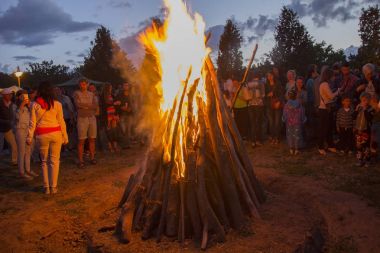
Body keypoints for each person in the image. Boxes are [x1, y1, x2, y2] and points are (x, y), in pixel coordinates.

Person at [26, 81, 68, 194]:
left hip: (42, 135)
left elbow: (32, 123)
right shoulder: (57, 104)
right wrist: (65, 136)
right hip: (56, 134)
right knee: (55, 161)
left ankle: (46, 188)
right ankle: (54, 187)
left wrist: (29, 137)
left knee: (44, 161)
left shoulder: (34, 104)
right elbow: (61, 121)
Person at [73, 79, 98, 168]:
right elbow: (77, 104)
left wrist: (85, 106)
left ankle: (92, 158)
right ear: (79, 85)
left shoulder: (92, 94)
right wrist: (89, 106)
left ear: (87, 85)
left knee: (92, 139)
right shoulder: (76, 93)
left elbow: (95, 105)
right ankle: (81, 160)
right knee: (81, 140)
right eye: (81, 84)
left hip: (91, 117)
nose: (83, 86)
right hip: (82, 118)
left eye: (84, 84)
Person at [14, 90, 38, 179]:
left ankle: (28, 169)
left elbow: (34, 117)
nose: (25, 98)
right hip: (20, 130)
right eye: (22, 96)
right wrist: (22, 105)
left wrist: (29, 106)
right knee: (21, 151)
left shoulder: (30, 106)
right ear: (18, 97)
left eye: (26, 96)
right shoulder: (14, 106)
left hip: (28, 130)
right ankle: (21, 171)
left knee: (28, 151)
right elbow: (17, 117)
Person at [318, 68, 340, 155]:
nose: (334, 77)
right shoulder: (325, 84)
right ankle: (321, 147)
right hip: (324, 109)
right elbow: (331, 96)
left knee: (328, 128)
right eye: (332, 75)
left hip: (325, 109)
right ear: (329, 76)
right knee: (324, 129)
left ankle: (330, 145)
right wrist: (337, 92)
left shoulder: (323, 84)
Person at [282, 89, 306, 155]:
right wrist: (303, 119)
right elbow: (302, 112)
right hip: (297, 122)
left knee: (290, 135)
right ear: (296, 95)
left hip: (289, 123)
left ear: (289, 96)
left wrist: (284, 119)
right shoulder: (299, 104)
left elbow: (284, 114)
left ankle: (291, 148)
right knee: (297, 135)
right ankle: (296, 149)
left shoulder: (286, 105)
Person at [354, 92, 373, 167]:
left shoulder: (370, 109)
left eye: (365, 100)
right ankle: (360, 160)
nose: (363, 102)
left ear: (368, 100)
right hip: (359, 129)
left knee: (366, 146)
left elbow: (369, 118)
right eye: (362, 100)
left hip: (366, 130)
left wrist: (365, 109)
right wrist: (356, 109)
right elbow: (353, 116)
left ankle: (367, 160)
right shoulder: (359, 108)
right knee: (359, 145)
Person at [0, 88, 18, 165]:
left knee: (13, 144)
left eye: (11, 94)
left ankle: (14, 160)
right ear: (4, 95)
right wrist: (6, 121)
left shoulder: (11, 104)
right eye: (9, 95)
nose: (10, 96)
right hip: (0, 128)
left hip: (8, 128)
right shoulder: (0, 103)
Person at [100, 84, 120, 152]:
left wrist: (117, 114)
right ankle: (110, 147)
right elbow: (104, 105)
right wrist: (114, 103)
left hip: (113, 114)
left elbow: (115, 105)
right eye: (110, 88)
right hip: (107, 115)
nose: (111, 89)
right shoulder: (103, 96)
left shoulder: (112, 95)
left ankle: (115, 145)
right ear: (107, 88)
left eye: (111, 88)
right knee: (108, 131)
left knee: (114, 131)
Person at [265, 71, 283, 144]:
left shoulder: (278, 83)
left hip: (277, 104)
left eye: (271, 75)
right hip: (269, 105)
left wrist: (279, 101)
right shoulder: (266, 85)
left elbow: (282, 94)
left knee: (277, 122)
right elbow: (264, 95)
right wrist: (267, 95)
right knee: (271, 122)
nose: (269, 77)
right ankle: (272, 137)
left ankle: (277, 137)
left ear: (273, 76)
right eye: (268, 76)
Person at [247, 73, 265, 147]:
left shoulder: (249, 83)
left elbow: (246, 94)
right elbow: (263, 94)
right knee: (258, 123)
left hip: (250, 105)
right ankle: (258, 140)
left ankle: (253, 141)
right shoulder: (261, 83)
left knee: (252, 123)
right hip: (258, 105)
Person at [116, 83, 133, 149]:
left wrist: (130, 108)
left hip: (129, 114)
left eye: (127, 85)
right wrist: (121, 107)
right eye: (124, 85)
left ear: (129, 87)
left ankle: (127, 144)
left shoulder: (131, 95)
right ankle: (123, 144)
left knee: (128, 130)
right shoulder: (119, 95)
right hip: (122, 114)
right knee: (123, 130)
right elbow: (116, 104)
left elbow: (133, 104)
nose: (125, 87)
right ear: (123, 87)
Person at [370, 95, 380, 162]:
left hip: (378, 125)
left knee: (377, 140)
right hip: (374, 124)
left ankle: (377, 155)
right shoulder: (371, 109)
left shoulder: (377, 107)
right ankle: (374, 155)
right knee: (373, 140)